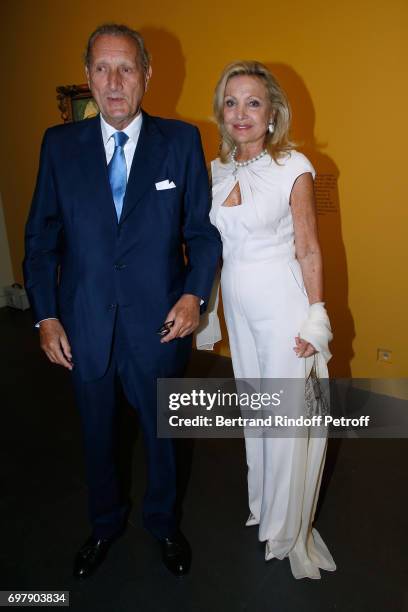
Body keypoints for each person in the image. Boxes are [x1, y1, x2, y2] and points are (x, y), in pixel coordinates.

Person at [23, 23, 221, 580]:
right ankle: (104, 525)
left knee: (163, 438)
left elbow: (201, 234)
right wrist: (45, 315)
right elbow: (40, 240)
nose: (114, 81)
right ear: (87, 75)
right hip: (83, 327)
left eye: (127, 68)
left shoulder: (180, 142)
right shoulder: (58, 146)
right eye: (103, 68)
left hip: (159, 326)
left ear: (147, 75)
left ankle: (163, 523)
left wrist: (193, 295)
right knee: (97, 439)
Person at [204, 60, 335, 579]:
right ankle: (263, 510)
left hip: (282, 304)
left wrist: (316, 318)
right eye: (231, 102)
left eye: (253, 102)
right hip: (239, 305)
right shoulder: (216, 170)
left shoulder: (294, 166)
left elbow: (309, 250)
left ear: (273, 111)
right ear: (221, 111)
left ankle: (285, 528)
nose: (241, 113)